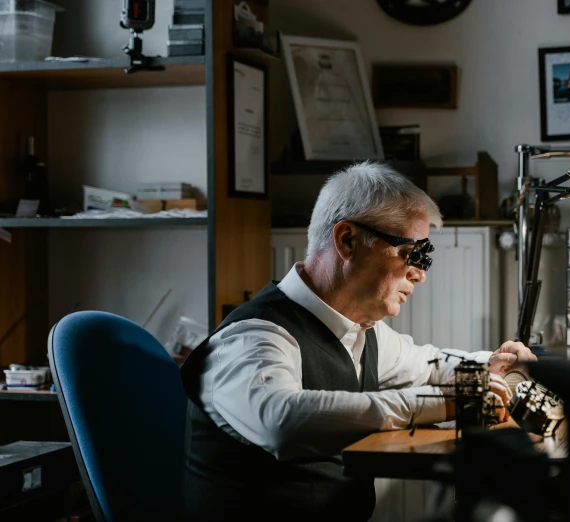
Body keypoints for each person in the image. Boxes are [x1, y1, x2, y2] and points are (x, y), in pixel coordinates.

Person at [178, 161, 537, 522]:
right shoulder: (252, 336)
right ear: (347, 240)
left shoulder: (361, 332)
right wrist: (443, 402)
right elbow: (281, 420)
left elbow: (430, 364)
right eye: (412, 253)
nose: (420, 273)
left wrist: (494, 364)